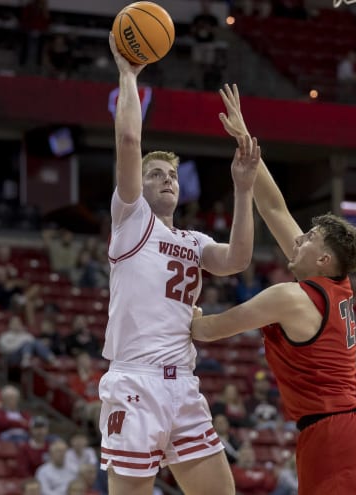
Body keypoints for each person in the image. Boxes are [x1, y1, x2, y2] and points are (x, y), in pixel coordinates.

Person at [190, 84, 356, 494]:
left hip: (333, 432)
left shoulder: (290, 297)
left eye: (310, 238)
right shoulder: (336, 284)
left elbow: (209, 331)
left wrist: (186, 311)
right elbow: (275, 209)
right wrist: (244, 140)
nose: (299, 240)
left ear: (322, 259)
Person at [100, 36, 260, 495]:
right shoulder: (132, 221)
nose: (166, 180)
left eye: (171, 175)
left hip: (183, 385)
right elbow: (130, 140)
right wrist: (129, 76)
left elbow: (237, 259)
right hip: (137, 382)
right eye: (155, 174)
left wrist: (244, 190)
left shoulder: (192, 240)